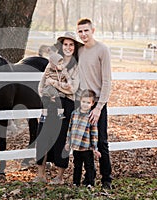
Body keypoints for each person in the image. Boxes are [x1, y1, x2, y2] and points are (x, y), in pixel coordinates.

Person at [33, 31, 83, 184]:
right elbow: (42, 83)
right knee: (42, 137)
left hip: (66, 105)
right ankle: (40, 174)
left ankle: (59, 176)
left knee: (61, 139)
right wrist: (45, 98)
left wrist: (55, 84)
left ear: (75, 47)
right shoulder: (53, 62)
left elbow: (72, 88)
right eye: (65, 44)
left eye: (71, 45)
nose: (68, 47)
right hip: (48, 103)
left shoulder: (76, 66)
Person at [76, 18, 113, 189]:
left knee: (102, 141)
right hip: (83, 103)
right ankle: (88, 178)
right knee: (84, 143)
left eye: (86, 31)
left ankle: (106, 179)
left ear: (93, 30)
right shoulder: (80, 50)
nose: (83, 34)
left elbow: (107, 81)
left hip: (98, 103)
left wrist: (99, 107)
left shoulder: (102, 49)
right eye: (80, 31)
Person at [65, 89, 101, 188]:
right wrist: (68, 143)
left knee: (89, 166)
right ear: (80, 101)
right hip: (76, 146)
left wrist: (95, 148)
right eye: (83, 102)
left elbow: (94, 133)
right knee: (77, 165)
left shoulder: (91, 116)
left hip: (86, 147)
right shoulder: (74, 114)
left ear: (92, 103)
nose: (85, 104)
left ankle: (90, 183)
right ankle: (76, 182)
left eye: (88, 102)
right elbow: (70, 128)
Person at [39, 51, 72, 121]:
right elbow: (46, 79)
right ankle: (44, 114)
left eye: (61, 64)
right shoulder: (48, 69)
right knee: (45, 99)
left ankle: (60, 113)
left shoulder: (63, 70)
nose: (60, 65)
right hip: (49, 89)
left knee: (60, 100)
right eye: (58, 64)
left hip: (59, 89)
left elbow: (68, 77)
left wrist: (69, 82)